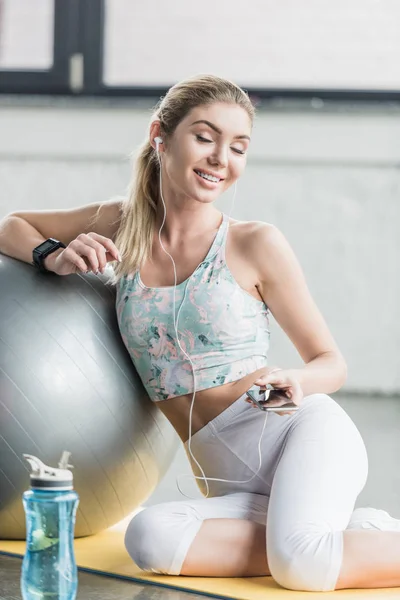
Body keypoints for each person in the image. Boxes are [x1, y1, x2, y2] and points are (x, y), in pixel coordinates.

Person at [0, 74, 399, 593]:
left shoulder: (256, 243)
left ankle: (309, 539)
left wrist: (298, 380)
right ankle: (338, 533)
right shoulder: (121, 223)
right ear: (160, 135)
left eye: (238, 147)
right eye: (205, 137)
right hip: (229, 476)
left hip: (298, 435)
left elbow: (331, 361)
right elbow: (12, 225)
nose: (221, 159)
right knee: (150, 539)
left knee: (303, 566)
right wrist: (51, 255)